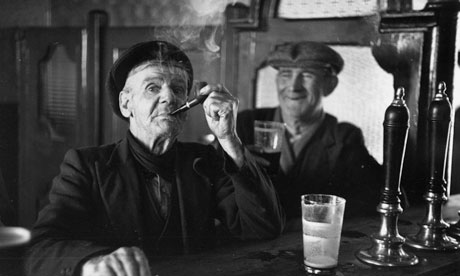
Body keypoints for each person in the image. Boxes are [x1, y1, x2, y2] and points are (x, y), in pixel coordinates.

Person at [25, 40, 284, 276]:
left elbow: (264, 228)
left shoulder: (206, 160)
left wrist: (229, 139)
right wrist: (91, 263)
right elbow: (41, 248)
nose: (169, 97)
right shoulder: (87, 166)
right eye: (152, 87)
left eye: (178, 89)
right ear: (126, 104)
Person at [237, 41, 383, 224]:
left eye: (306, 75)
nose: (293, 86)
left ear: (330, 84)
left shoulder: (343, 137)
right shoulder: (245, 125)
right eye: (285, 74)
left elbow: (375, 200)